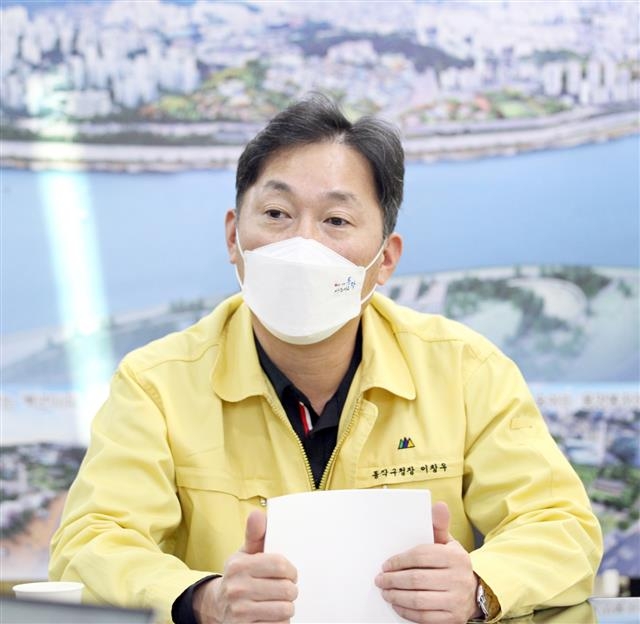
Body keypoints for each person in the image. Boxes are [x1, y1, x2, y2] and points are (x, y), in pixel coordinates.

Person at [49, 94, 603, 624]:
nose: (301, 246)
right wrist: (202, 600)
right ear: (233, 237)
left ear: (385, 259)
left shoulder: (463, 370)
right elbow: (89, 545)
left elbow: (562, 528)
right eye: (276, 213)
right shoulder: (157, 384)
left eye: (336, 221)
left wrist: (478, 587)